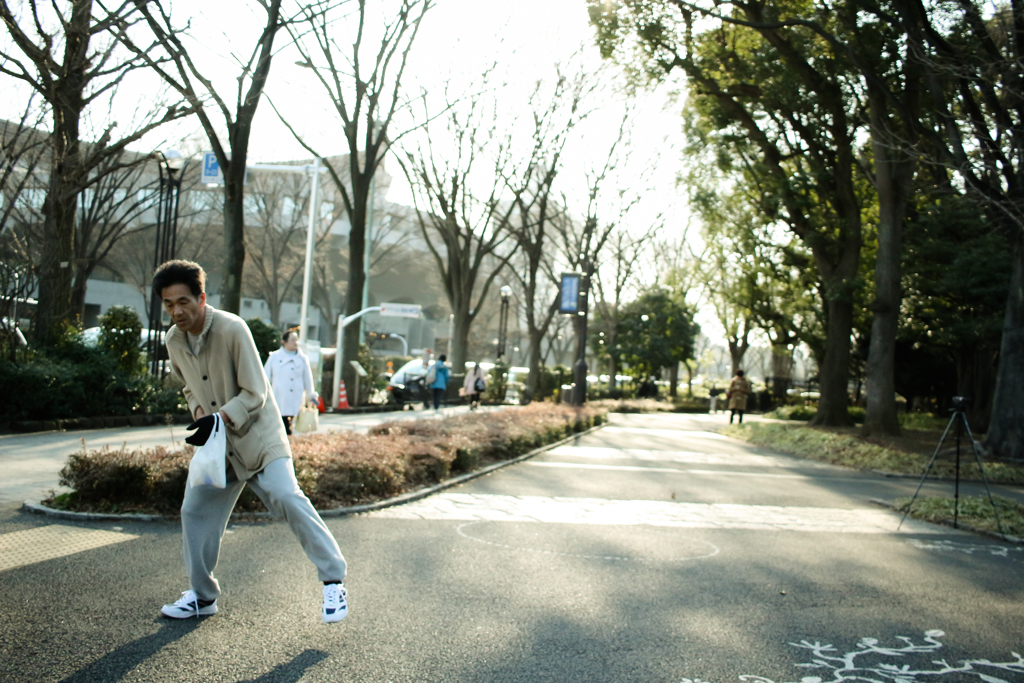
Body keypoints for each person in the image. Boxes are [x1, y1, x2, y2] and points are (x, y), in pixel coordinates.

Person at [153, 260, 348, 623]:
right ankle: (202, 597)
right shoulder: (173, 340)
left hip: (259, 437)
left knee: (286, 496)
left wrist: (220, 417)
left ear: (201, 298)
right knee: (194, 511)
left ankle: (333, 578)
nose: (177, 311)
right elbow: (187, 386)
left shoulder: (232, 329)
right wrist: (200, 414)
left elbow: (255, 391)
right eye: (168, 304)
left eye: (183, 302)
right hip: (218, 445)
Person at [264, 329, 319, 435]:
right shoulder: (274, 357)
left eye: (296, 339)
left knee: (293, 420)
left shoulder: (302, 358)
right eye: (292, 340)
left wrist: (312, 397)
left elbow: (308, 379)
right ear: (284, 342)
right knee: (281, 421)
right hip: (279, 395)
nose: (295, 342)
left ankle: (290, 437)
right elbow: (266, 377)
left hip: (296, 396)